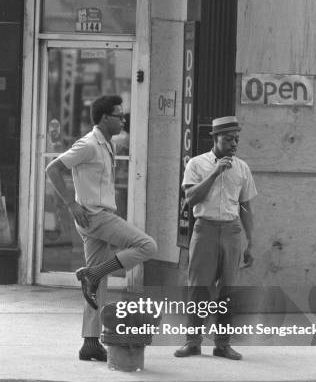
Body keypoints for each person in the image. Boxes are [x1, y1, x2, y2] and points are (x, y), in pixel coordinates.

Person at [46, 95, 157, 362]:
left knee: (97, 286)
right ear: (105, 118)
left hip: (95, 218)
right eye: (119, 116)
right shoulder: (88, 144)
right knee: (147, 246)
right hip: (96, 217)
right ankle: (93, 273)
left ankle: (90, 343)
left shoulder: (106, 144)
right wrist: (71, 204)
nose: (123, 120)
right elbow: (53, 169)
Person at [175, 116, 257, 360]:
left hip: (232, 231)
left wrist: (250, 242)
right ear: (215, 138)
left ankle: (223, 344)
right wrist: (214, 172)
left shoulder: (242, 168)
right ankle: (192, 342)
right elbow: (190, 200)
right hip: (205, 229)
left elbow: (245, 207)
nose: (234, 144)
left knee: (227, 290)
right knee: (199, 288)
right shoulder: (197, 164)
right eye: (229, 139)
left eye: (236, 140)